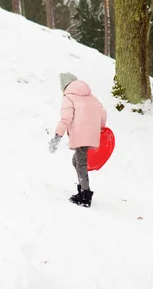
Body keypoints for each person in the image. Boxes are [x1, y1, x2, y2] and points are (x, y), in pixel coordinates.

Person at [49, 72, 106, 208]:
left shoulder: (68, 97)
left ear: (64, 86)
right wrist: (101, 128)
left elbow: (65, 119)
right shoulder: (91, 96)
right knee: (76, 161)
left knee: (80, 163)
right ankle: (82, 189)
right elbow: (103, 113)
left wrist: (57, 137)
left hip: (81, 135)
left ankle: (85, 196)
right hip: (92, 134)